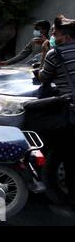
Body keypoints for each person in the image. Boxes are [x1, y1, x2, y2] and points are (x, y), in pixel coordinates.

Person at [38, 15, 75, 218]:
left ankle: (71, 204)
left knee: (69, 158)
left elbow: (44, 76)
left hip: (71, 113)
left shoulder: (55, 53)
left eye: (55, 33)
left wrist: (45, 52)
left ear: (65, 36)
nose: (52, 36)